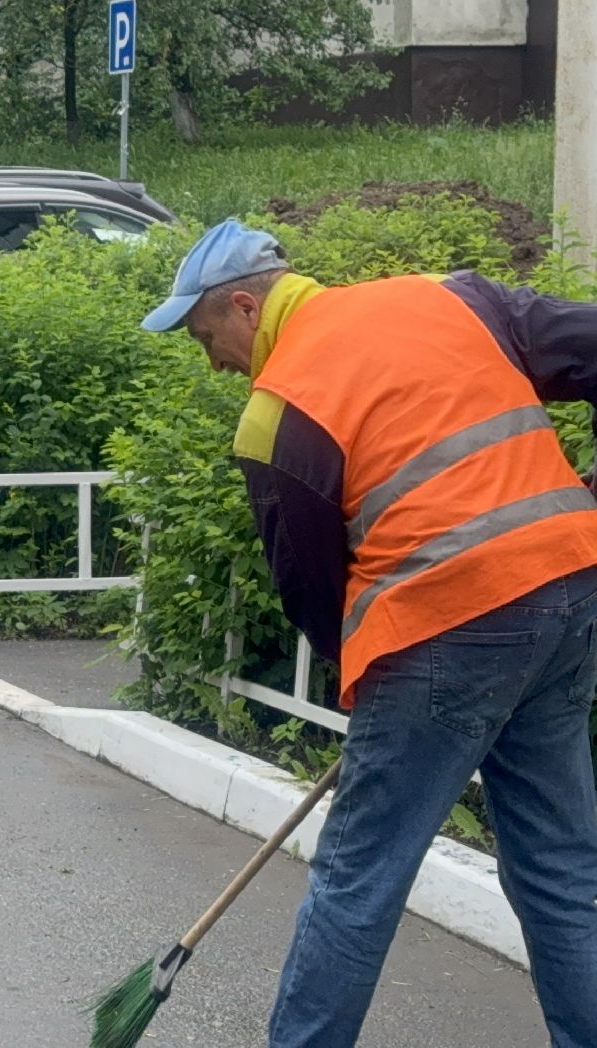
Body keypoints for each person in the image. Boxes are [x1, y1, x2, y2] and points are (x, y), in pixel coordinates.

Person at [143, 218, 597, 1047]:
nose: (213, 362)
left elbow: (314, 597)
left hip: (445, 624)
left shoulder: (278, 413)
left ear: (246, 307)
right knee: (563, 870)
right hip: (567, 590)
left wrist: (382, 696)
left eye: (208, 339)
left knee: (359, 881)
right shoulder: (450, 296)